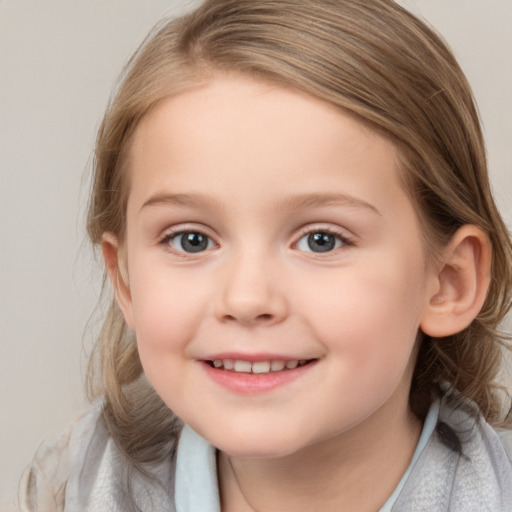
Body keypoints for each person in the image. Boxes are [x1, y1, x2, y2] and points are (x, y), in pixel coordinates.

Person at [18, 0, 512, 510]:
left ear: (448, 282)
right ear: (125, 281)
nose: (247, 298)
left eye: (322, 239)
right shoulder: (74, 487)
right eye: (191, 240)